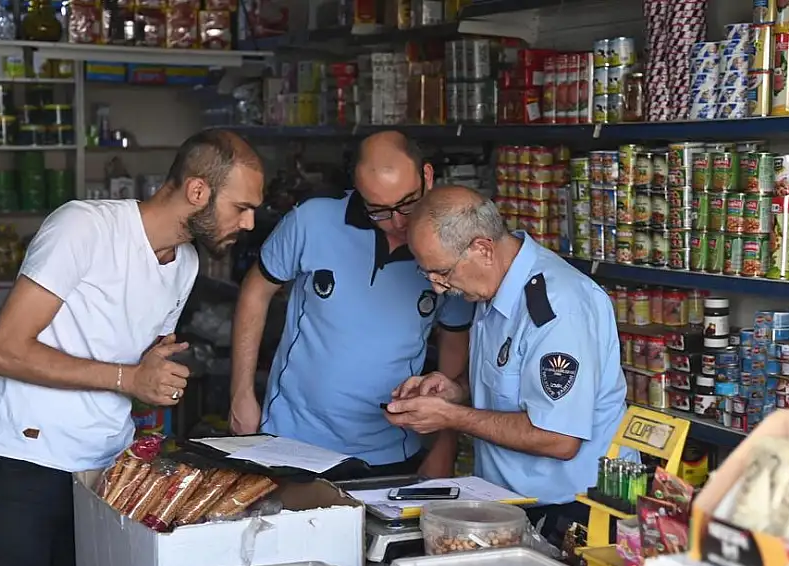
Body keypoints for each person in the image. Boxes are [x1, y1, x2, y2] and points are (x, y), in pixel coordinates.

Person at [0, 130, 265, 566]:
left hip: (106, 471)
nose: (249, 223)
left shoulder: (184, 263)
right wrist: (129, 378)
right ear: (197, 191)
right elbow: (5, 350)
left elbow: (133, 361)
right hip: (25, 466)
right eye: (242, 207)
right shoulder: (85, 227)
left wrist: (154, 371)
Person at [385, 185, 636, 543]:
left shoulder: (556, 308)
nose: (439, 288)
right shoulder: (494, 287)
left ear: (482, 249)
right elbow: (515, 379)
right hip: (512, 503)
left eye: (442, 272)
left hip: (574, 515)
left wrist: (451, 418)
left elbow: (559, 438)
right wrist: (455, 391)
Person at [230, 131, 474, 478]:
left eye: (408, 203)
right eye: (379, 210)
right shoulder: (312, 221)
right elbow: (255, 291)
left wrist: (444, 444)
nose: (399, 222)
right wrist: (241, 393)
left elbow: (454, 341)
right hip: (292, 438)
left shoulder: (450, 248)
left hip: (393, 447)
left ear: (428, 177)